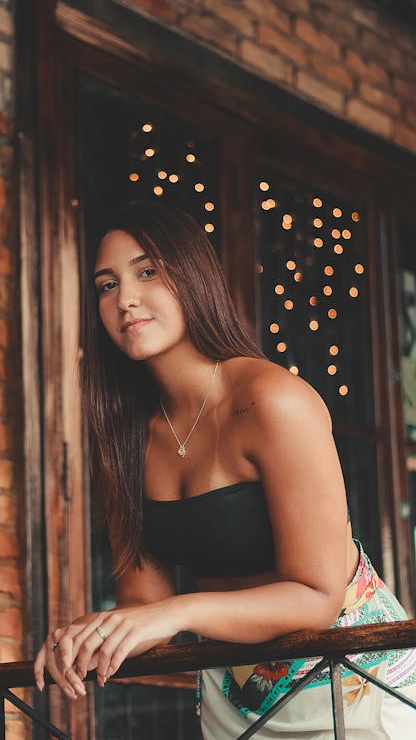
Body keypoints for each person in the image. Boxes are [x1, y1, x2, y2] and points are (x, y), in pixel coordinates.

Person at [34, 203, 416, 738]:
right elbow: (145, 604)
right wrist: (87, 635)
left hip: (354, 676)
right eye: (105, 285)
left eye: (147, 272)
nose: (125, 299)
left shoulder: (271, 400)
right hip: (236, 693)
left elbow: (316, 593)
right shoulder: (125, 437)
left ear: (192, 276)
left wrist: (178, 613)